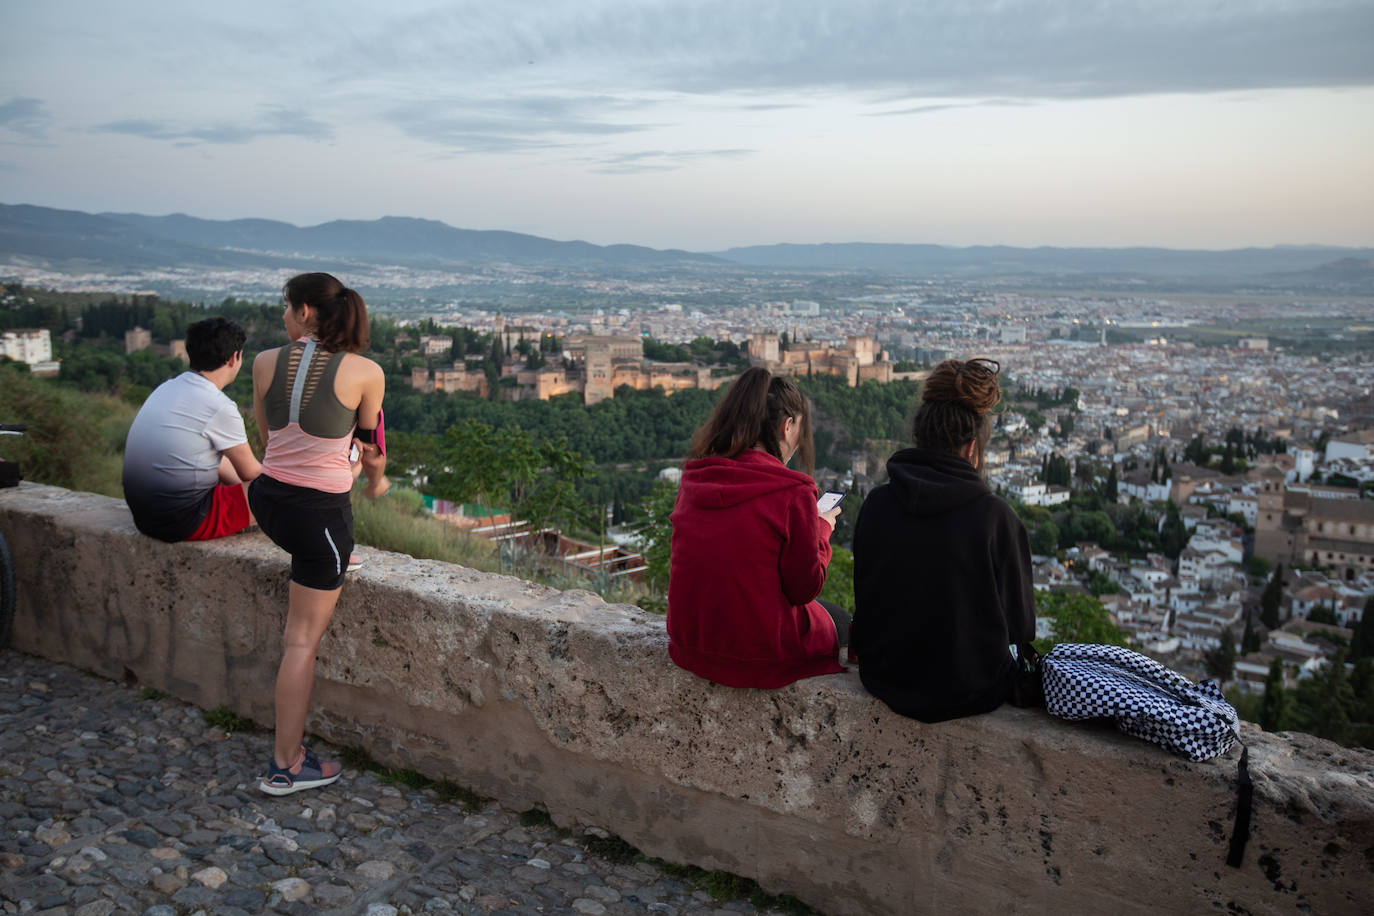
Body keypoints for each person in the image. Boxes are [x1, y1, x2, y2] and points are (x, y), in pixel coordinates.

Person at [250, 272, 389, 796]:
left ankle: (333, 558)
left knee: (321, 542)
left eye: (286, 308)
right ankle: (286, 764)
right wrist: (374, 477)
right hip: (319, 519)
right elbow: (372, 446)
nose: (283, 316)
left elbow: (269, 439)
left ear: (305, 312)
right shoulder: (367, 372)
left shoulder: (264, 362)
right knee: (300, 641)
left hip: (267, 502)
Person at [851, 357, 1036, 722]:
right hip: (970, 691)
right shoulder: (995, 517)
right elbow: (1021, 627)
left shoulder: (876, 503)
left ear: (920, 434)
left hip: (883, 679)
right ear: (971, 447)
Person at [666, 367, 847, 688]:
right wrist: (821, 529)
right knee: (844, 621)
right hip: (757, 654)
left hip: (691, 646)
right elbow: (804, 588)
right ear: (787, 425)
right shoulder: (792, 490)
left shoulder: (695, 477)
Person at [122, 317, 260, 542]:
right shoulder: (219, 406)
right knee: (279, 492)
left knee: (221, 457)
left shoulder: (166, 388)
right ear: (234, 358)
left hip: (144, 517)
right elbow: (252, 473)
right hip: (185, 521)